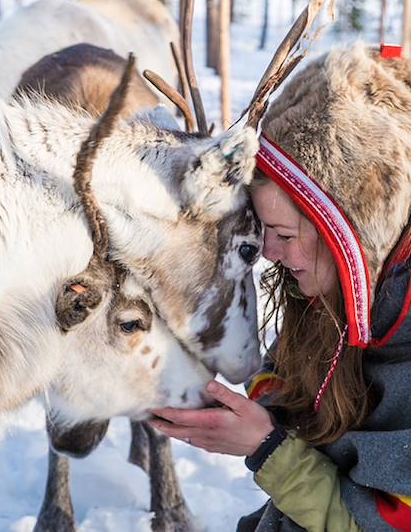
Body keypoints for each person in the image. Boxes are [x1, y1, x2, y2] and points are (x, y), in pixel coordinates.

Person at [149, 42, 411, 532]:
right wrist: (242, 411)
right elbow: (287, 377)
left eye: (285, 235)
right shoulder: (336, 298)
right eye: (266, 233)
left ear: (353, 233)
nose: (269, 253)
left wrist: (266, 448)